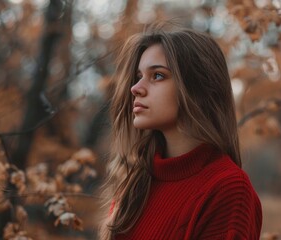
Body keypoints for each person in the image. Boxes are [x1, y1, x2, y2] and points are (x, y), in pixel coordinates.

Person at [98, 25, 262, 240]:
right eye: (139, 76)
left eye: (157, 75)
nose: (136, 88)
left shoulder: (228, 189)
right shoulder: (135, 183)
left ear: (199, 88)